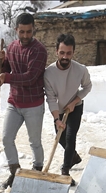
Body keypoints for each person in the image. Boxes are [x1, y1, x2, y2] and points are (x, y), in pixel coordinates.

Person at [0, 13, 47, 189]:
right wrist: (1, 62)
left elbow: (30, 77)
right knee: (6, 138)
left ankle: (37, 173)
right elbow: (7, 70)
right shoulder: (11, 47)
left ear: (33, 29)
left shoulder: (39, 50)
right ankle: (14, 173)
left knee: (35, 142)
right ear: (16, 29)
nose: (25, 35)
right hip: (14, 102)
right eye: (22, 32)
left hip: (33, 104)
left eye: (29, 32)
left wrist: (6, 77)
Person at [44, 33, 92, 179]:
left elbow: (87, 87)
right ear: (56, 52)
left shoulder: (81, 70)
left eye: (69, 53)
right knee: (61, 138)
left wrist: (74, 102)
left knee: (71, 138)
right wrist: (56, 118)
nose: (65, 56)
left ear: (73, 52)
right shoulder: (49, 73)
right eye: (62, 53)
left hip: (75, 107)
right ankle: (74, 156)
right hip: (58, 109)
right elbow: (51, 97)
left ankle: (65, 171)